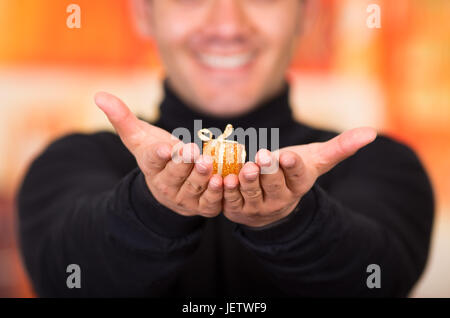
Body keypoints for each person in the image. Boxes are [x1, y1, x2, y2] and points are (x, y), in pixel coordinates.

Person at [17, 0, 434, 297]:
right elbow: (65, 278)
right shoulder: (69, 162)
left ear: (306, 14)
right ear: (144, 12)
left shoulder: (380, 164)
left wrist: (293, 222)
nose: (227, 25)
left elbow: (379, 278)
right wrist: (151, 206)